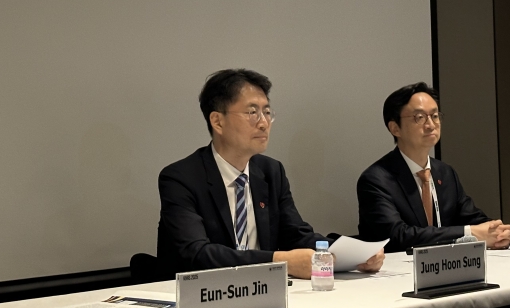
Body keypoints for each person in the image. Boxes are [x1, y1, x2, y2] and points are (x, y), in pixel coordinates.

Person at [157, 69, 384, 278]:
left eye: (267, 112)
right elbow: (196, 254)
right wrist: (279, 261)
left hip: (265, 290)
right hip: (203, 295)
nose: (264, 123)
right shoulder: (181, 178)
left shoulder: (270, 172)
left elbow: (297, 235)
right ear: (217, 121)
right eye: (252, 112)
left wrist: (353, 254)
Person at [357, 82, 510, 252]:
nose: (431, 125)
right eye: (419, 117)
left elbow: (472, 218)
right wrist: (469, 233)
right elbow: (396, 236)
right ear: (395, 128)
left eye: (435, 116)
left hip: (447, 264)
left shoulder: (445, 173)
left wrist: (498, 233)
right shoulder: (376, 180)